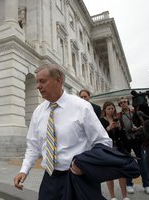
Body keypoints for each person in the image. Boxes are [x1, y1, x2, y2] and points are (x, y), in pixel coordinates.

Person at [13, 64, 112, 200]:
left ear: (58, 80)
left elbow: (104, 142)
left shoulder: (82, 107)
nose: (38, 86)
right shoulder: (38, 112)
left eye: (42, 81)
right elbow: (33, 146)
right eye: (37, 82)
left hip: (80, 177)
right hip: (50, 178)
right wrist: (24, 170)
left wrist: (85, 165)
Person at [117, 97, 149, 195]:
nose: (123, 104)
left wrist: (139, 128)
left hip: (136, 139)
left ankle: (146, 185)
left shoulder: (134, 112)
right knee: (127, 162)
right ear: (119, 105)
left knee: (142, 162)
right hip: (125, 141)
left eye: (124, 102)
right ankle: (129, 184)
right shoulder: (118, 115)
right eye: (121, 103)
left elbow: (143, 123)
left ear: (127, 102)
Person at [100, 101, 130, 200]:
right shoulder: (101, 121)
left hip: (119, 148)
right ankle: (112, 196)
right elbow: (99, 135)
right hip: (108, 149)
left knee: (122, 172)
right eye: (108, 108)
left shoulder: (118, 119)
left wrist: (120, 128)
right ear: (104, 110)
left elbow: (123, 135)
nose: (111, 110)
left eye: (112, 108)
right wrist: (109, 128)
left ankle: (125, 196)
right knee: (109, 173)